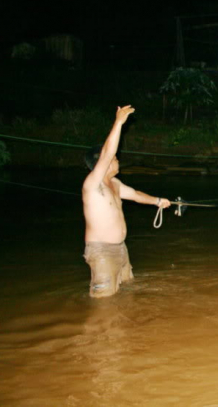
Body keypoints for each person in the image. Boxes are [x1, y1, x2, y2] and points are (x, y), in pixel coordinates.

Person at [82, 105, 171, 298]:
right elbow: (106, 153)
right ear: (101, 163)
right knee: (103, 303)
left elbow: (136, 194)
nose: (117, 160)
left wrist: (158, 201)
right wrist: (119, 122)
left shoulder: (114, 183)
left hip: (121, 249)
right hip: (102, 253)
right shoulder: (93, 184)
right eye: (114, 158)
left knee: (127, 292)